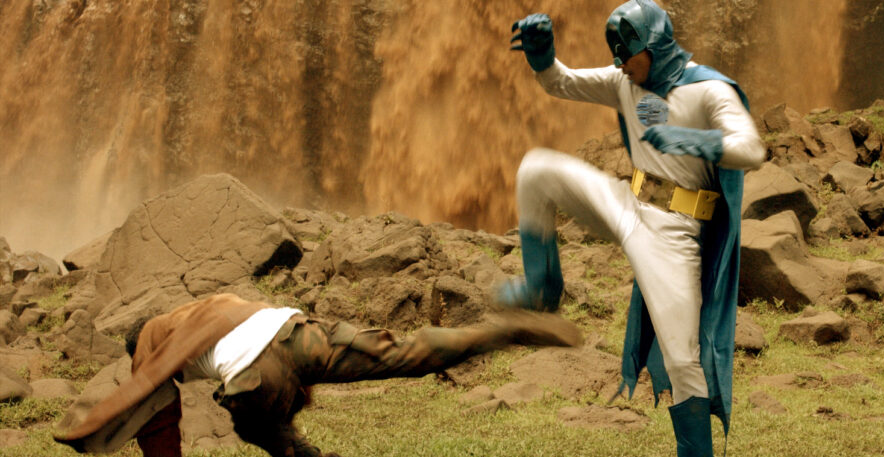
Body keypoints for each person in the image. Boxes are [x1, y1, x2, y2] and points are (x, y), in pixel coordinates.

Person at [506, 1, 764, 455]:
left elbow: (751, 149)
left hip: (674, 233)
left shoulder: (708, 90)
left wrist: (695, 140)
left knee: (682, 362)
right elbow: (560, 82)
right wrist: (542, 56)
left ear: (654, 46)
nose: (619, 63)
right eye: (616, 54)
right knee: (535, 171)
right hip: (629, 203)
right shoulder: (623, 80)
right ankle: (541, 290)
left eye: (626, 54)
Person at [53, 293, 582, 457]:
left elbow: (156, 416)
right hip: (295, 330)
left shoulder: (152, 338)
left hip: (253, 374)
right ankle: (498, 330)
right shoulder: (203, 307)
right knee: (406, 353)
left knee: (256, 426)